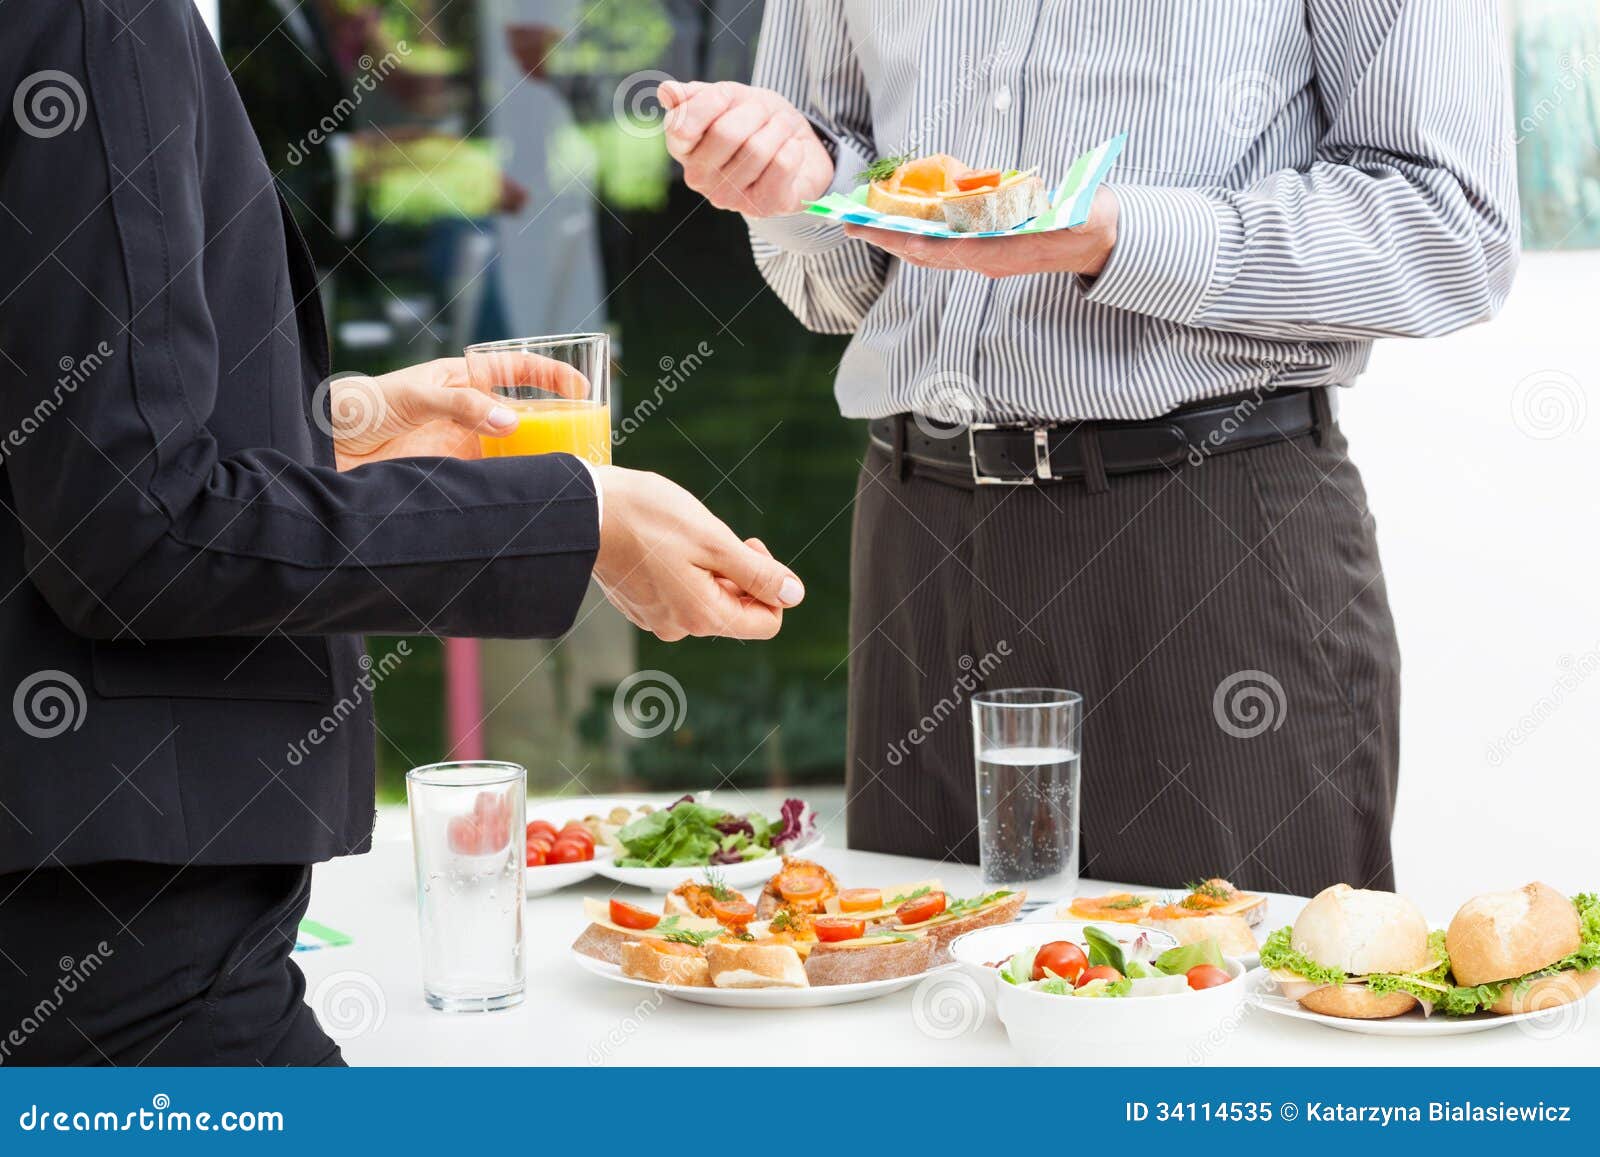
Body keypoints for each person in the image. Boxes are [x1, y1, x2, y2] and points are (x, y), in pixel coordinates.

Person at [0, 1, 802, 1065]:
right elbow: (140, 530)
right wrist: (578, 519)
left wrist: (330, 427)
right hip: (121, 939)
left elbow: (70, 442)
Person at [660, 0, 1518, 895]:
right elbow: (839, 278)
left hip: (1212, 545)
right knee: (917, 1013)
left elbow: (1448, 228)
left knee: (1236, 1013)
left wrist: (1118, 235)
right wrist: (800, 188)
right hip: (921, 545)